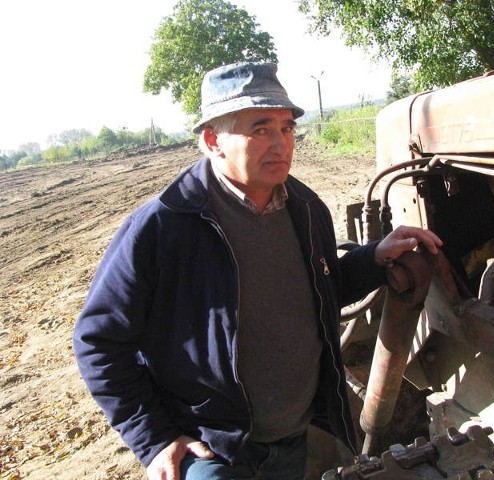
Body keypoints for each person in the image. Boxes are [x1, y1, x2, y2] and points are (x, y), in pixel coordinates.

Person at [73, 62, 442, 480]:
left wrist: (374, 256)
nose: (281, 144)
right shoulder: (164, 226)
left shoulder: (305, 208)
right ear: (213, 140)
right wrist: (153, 439)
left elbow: (318, 294)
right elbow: (98, 342)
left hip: (301, 437)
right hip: (217, 452)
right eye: (260, 129)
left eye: (287, 129)